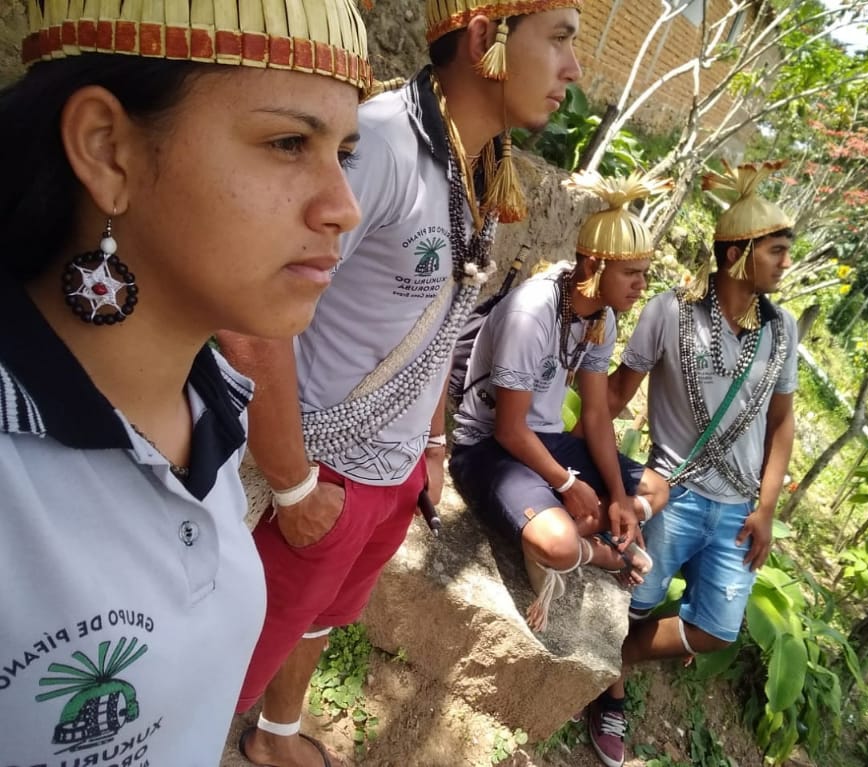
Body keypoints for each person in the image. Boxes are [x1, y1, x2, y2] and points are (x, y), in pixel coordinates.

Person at [0, 1, 369, 764]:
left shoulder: (211, 405)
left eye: (346, 153)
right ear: (108, 150)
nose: (343, 207)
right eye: (288, 142)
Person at [218, 3, 583, 765]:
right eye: (560, 40)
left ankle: (276, 735)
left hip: (390, 472)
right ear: (485, 38)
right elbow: (249, 306)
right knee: (228, 662)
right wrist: (292, 484)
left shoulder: (480, 165)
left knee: (323, 617)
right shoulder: (378, 142)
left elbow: (441, 319)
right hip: (319, 468)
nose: (574, 70)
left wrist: (433, 442)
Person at [586, 161, 798, 767]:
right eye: (776, 251)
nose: (786, 264)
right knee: (635, 596)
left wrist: (767, 509)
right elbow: (620, 393)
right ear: (737, 253)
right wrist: (572, 455)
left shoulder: (781, 334)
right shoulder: (668, 313)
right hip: (670, 494)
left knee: (714, 629)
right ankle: (609, 693)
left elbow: (781, 423)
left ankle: (613, 660)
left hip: (737, 513)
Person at [449, 172, 671, 632]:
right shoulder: (533, 311)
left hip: (545, 440)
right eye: (631, 273)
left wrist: (617, 499)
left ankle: (584, 528)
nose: (641, 285)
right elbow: (508, 429)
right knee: (561, 544)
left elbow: (594, 414)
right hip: (489, 447)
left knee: (654, 490)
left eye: (644, 273)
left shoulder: (600, 319)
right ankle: (598, 553)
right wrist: (569, 484)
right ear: (592, 265)